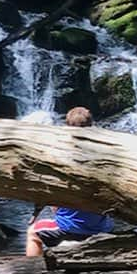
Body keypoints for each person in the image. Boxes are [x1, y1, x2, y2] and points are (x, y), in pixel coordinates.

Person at [25, 107, 115, 256]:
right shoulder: (103, 157)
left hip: (70, 229)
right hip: (103, 227)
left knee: (32, 232)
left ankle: (33, 271)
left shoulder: (60, 157)